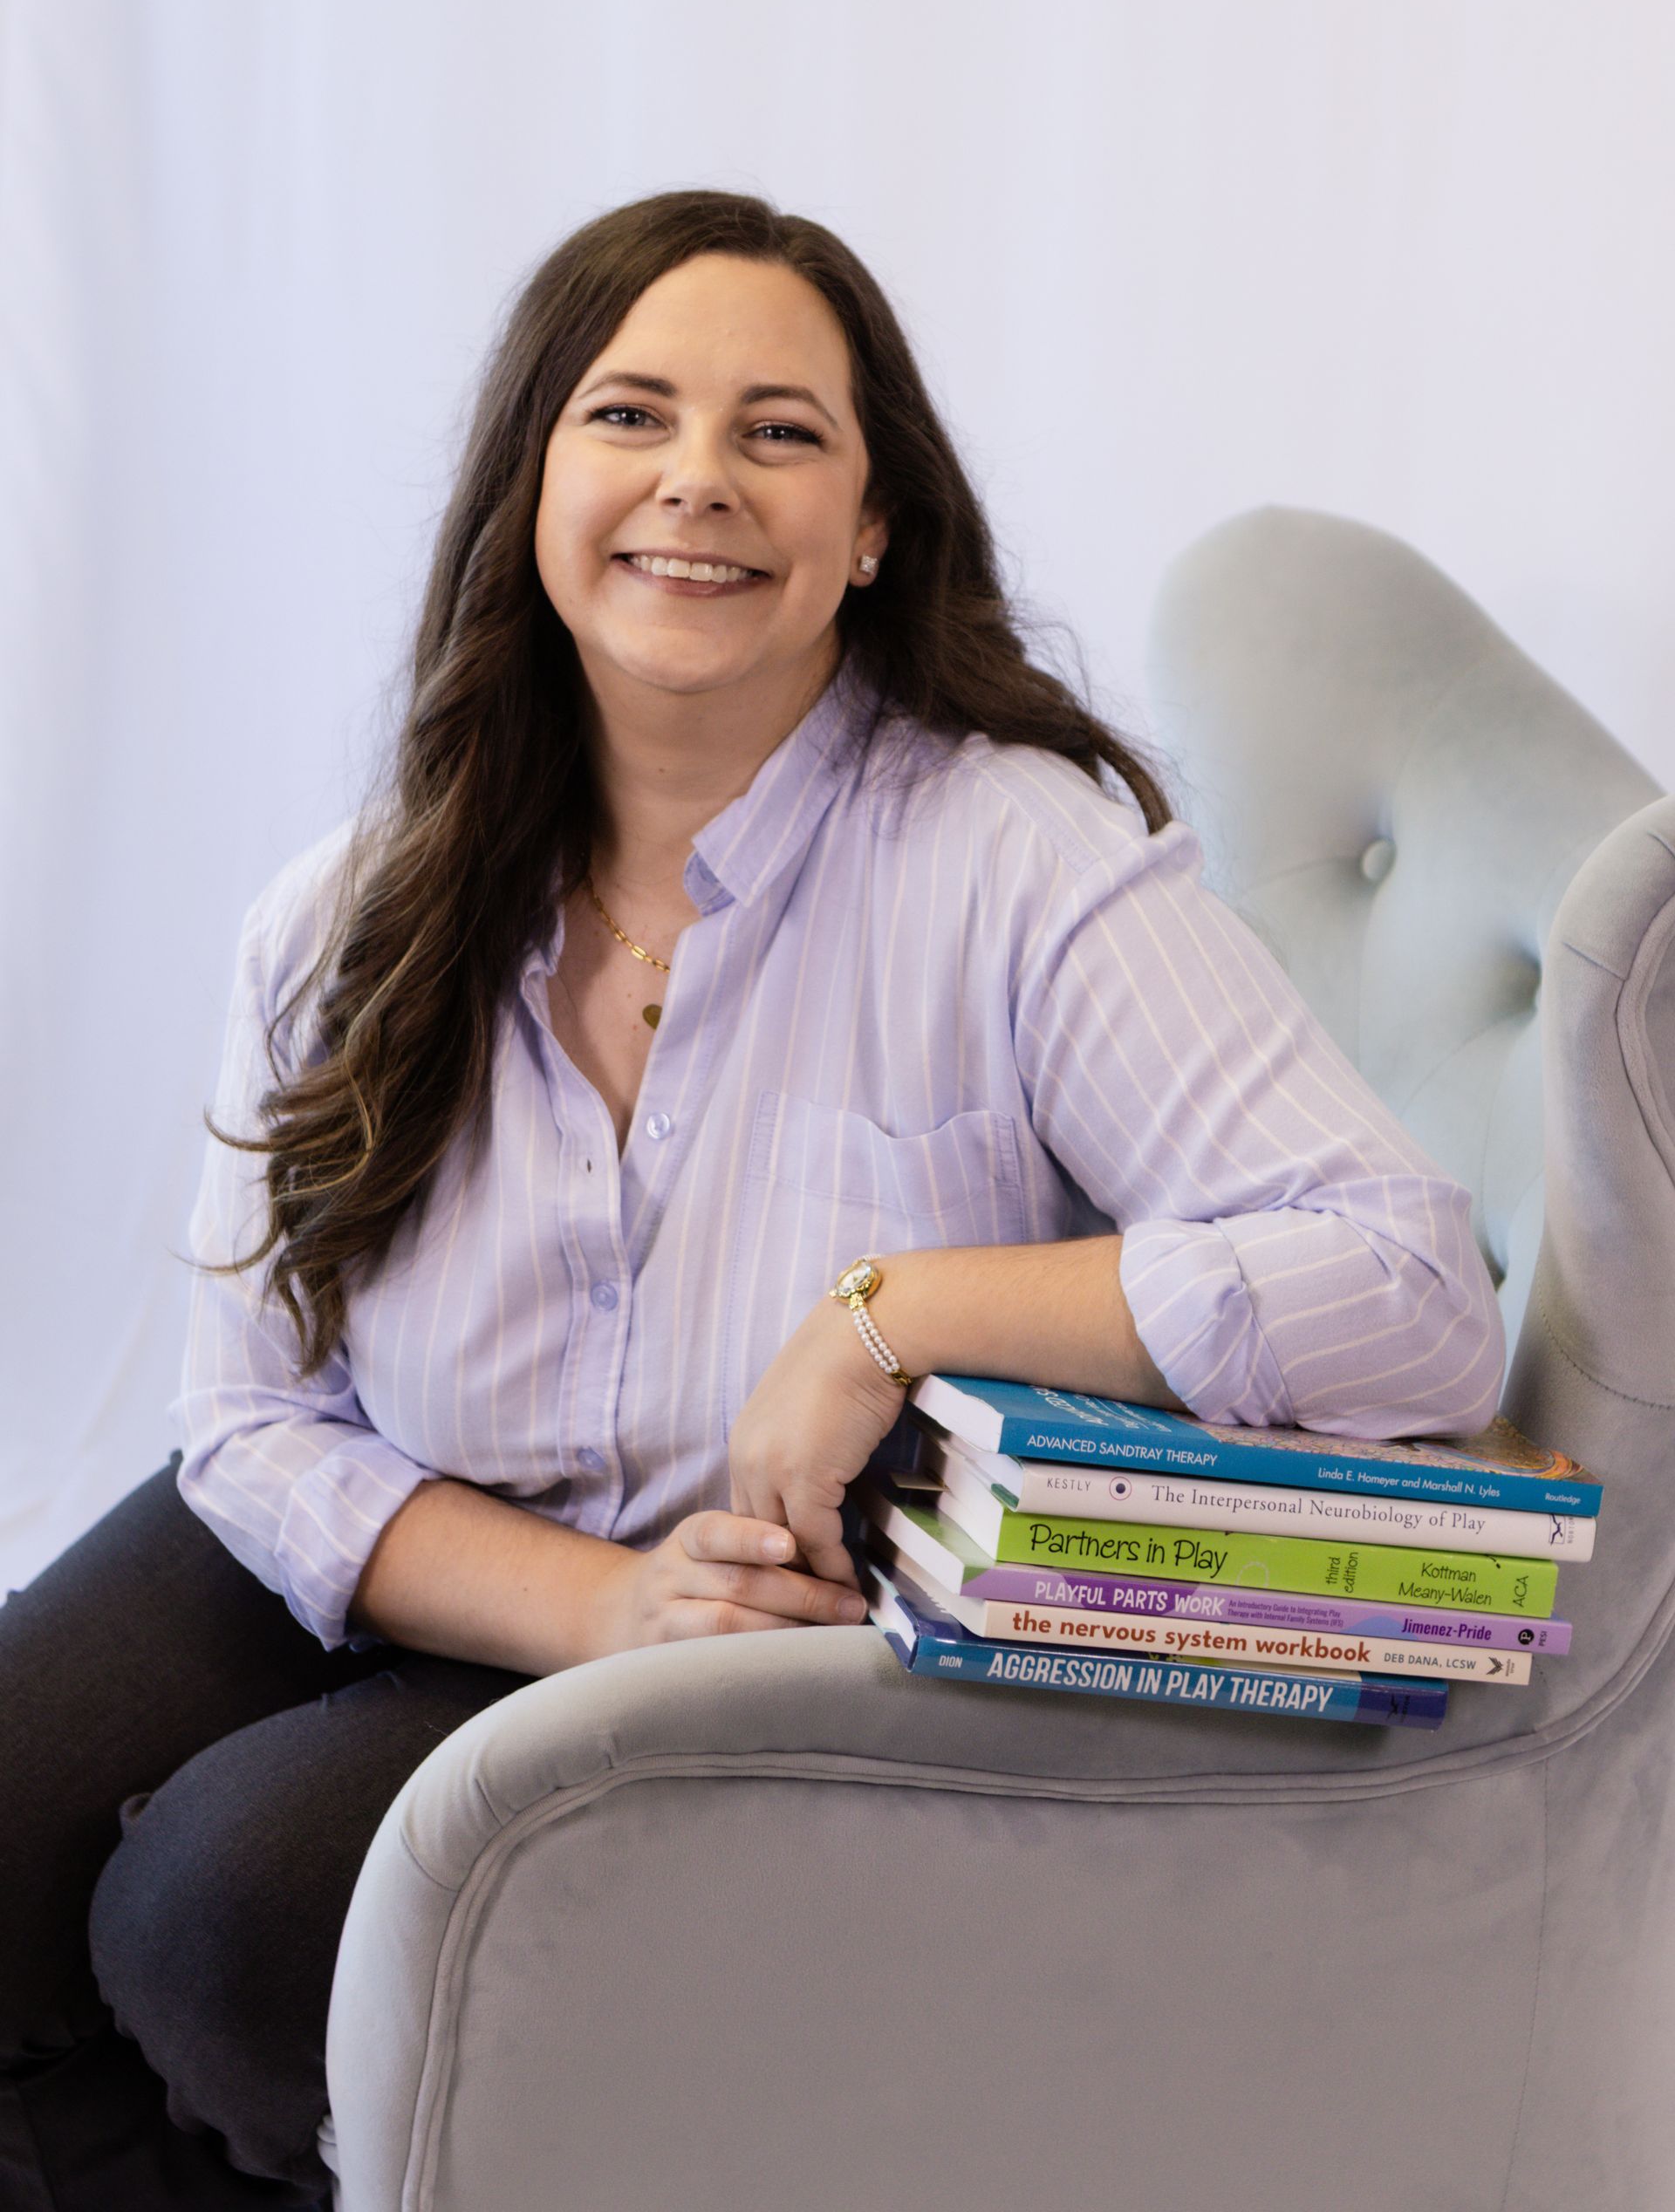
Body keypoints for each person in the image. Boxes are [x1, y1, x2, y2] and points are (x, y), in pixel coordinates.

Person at [0, 188, 1505, 2207]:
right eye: (631, 415)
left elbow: (1415, 1291)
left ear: (871, 527)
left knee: (220, 1914)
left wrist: (899, 1308)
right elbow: (253, 1424)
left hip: (774, 1630)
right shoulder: (345, 909)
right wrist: (590, 1607)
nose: (699, 480)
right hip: (462, 1532)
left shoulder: (1017, 861)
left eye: (781, 430)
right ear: (534, 483)